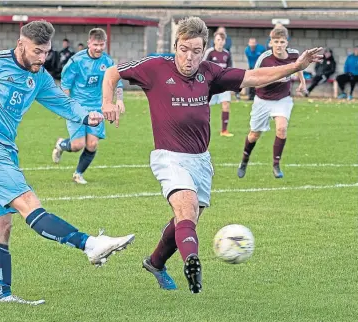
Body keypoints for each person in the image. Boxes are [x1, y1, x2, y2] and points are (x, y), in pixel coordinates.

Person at [101, 16, 322, 293]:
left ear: (204, 49)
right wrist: (108, 102)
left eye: (196, 50)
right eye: (184, 49)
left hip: (201, 160)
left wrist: (296, 66)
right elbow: (112, 73)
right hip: (168, 156)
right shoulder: (155, 67)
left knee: (188, 217)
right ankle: (192, 261)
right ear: (176, 46)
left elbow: (253, 77)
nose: (190, 57)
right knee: (186, 207)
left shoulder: (211, 72)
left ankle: (155, 262)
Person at [0, 20, 134, 305]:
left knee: (1, 226)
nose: (42, 58)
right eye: (37, 51)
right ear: (21, 44)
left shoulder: (38, 77)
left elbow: (62, 103)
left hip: (5, 151)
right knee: (29, 203)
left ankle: (4, 297)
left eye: (46, 52)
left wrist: (87, 116)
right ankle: (91, 244)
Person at [52, 28, 125, 184]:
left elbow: (117, 80)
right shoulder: (76, 61)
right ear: (88, 43)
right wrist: (65, 106)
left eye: (101, 44)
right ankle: (60, 145)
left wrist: (119, 100)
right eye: (95, 44)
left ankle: (78, 173)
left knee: (92, 144)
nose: (98, 48)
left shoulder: (107, 62)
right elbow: (65, 84)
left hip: (97, 108)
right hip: (77, 108)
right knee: (78, 145)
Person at [237, 26, 308, 179]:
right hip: (262, 100)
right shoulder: (264, 59)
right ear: (270, 43)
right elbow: (254, 82)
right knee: (254, 134)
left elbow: (299, 65)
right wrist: (275, 77)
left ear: (286, 43)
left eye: (282, 42)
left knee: (282, 129)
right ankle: (244, 160)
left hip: (282, 99)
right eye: (276, 41)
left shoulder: (294, 54)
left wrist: (302, 83)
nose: (279, 45)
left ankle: (276, 165)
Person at [203, 31, 234, 137]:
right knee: (205, 107)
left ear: (225, 42)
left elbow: (230, 70)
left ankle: (224, 131)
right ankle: (203, 129)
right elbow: (203, 67)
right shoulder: (210, 53)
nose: (220, 42)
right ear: (214, 41)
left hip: (223, 85)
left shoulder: (227, 54)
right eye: (218, 40)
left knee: (226, 105)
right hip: (211, 85)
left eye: (222, 40)